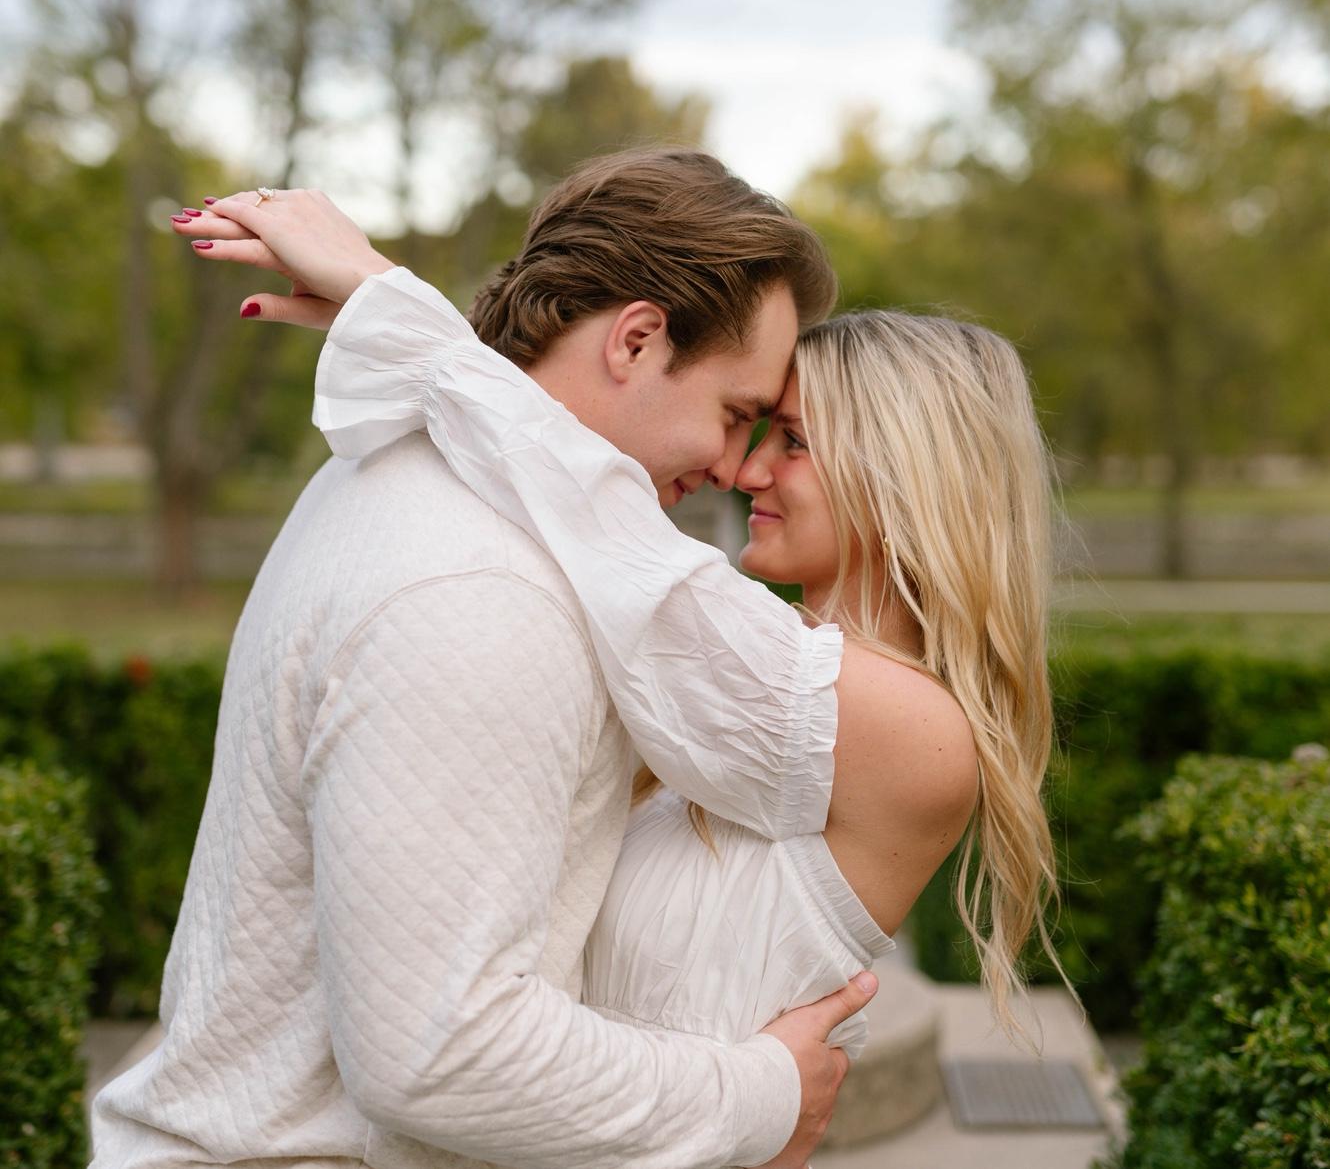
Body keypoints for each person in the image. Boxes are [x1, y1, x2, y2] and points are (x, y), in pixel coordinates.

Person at [92, 151, 880, 1169]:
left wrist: (402, 317)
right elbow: (442, 1052)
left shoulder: (411, 476)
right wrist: (760, 1095)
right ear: (637, 339)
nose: (734, 467)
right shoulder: (482, 587)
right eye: (735, 414)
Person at [168, 171, 1071, 1058]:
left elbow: (615, 539)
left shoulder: (918, 733)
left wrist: (397, 312)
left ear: (905, 477)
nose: (746, 470)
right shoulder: (730, 667)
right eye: (751, 424)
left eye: (791, 440)